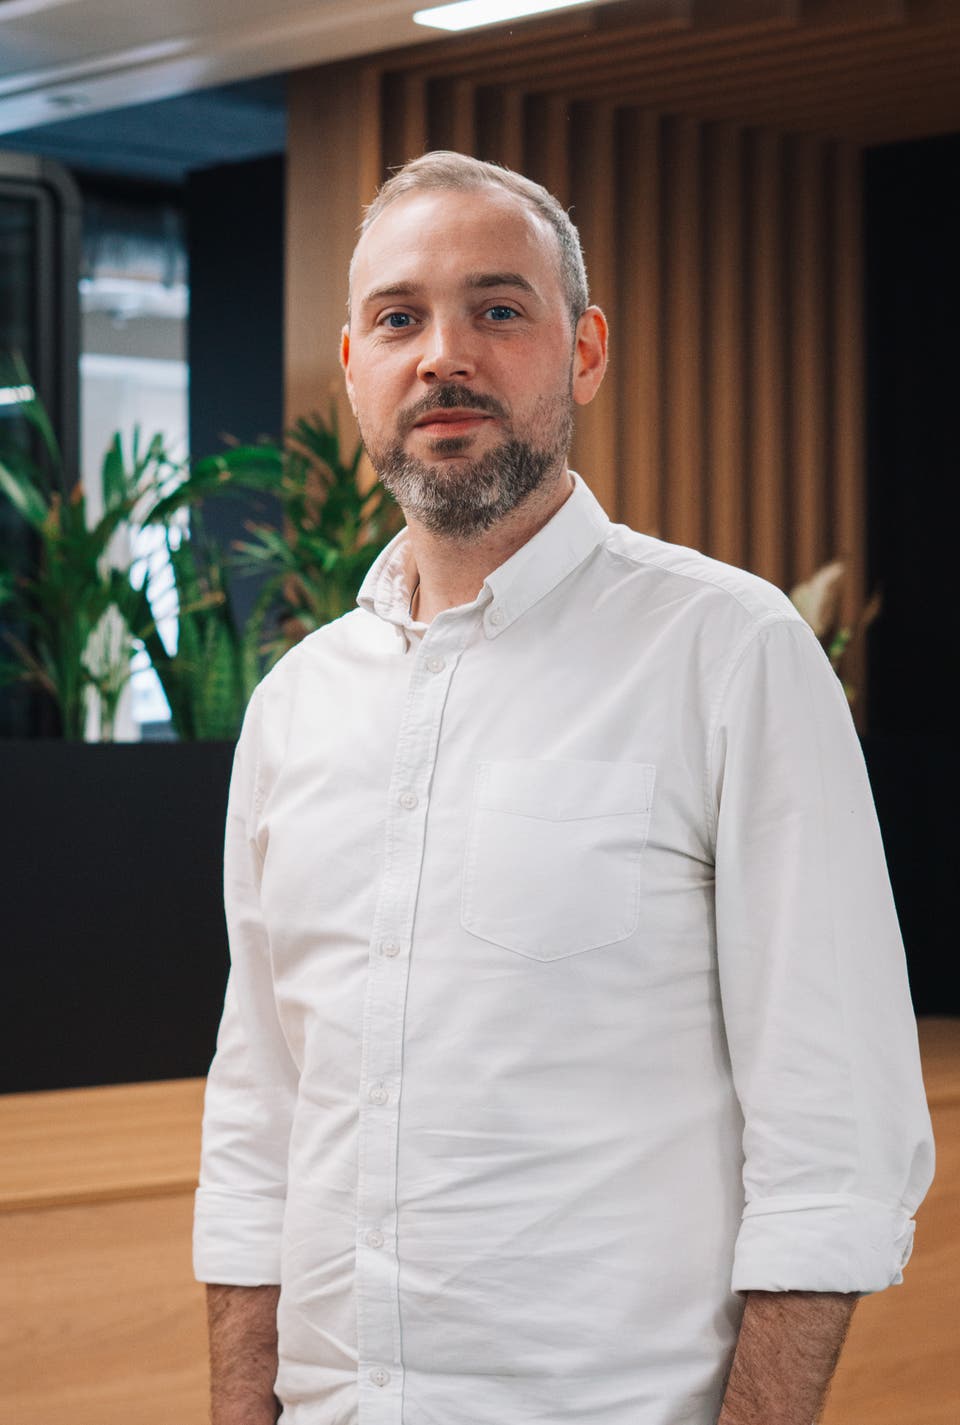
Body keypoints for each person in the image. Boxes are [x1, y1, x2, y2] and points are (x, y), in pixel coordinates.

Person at [193, 151, 934, 1425]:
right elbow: (260, 1123)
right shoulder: (296, 704)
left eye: (497, 309)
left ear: (584, 351)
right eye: (398, 318)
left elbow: (837, 1143)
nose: (442, 356)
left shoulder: (729, 653)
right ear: (353, 366)